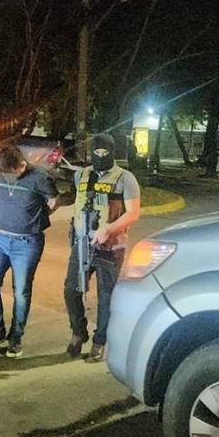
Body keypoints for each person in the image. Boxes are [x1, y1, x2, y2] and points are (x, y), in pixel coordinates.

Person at [63, 133, 141, 362]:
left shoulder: (125, 178)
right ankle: (79, 332)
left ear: (112, 152)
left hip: (110, 248)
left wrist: (109, 229)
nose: (100, 156)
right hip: (82, 244)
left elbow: (133, 213)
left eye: (104, 152)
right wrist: (56, 201)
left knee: (106, 297)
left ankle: (100, 341)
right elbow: (75, 198)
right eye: (96, 152)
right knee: (71, 290)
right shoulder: (81, 175)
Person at [0, 145, 58, 358]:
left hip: (27, 242)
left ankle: (16, 336)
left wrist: (34, 215)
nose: (14, 175)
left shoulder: (40, 177)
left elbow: (53, 201)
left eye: (17, 170)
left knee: (21, 292)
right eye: (9, 174)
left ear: (22, 163)